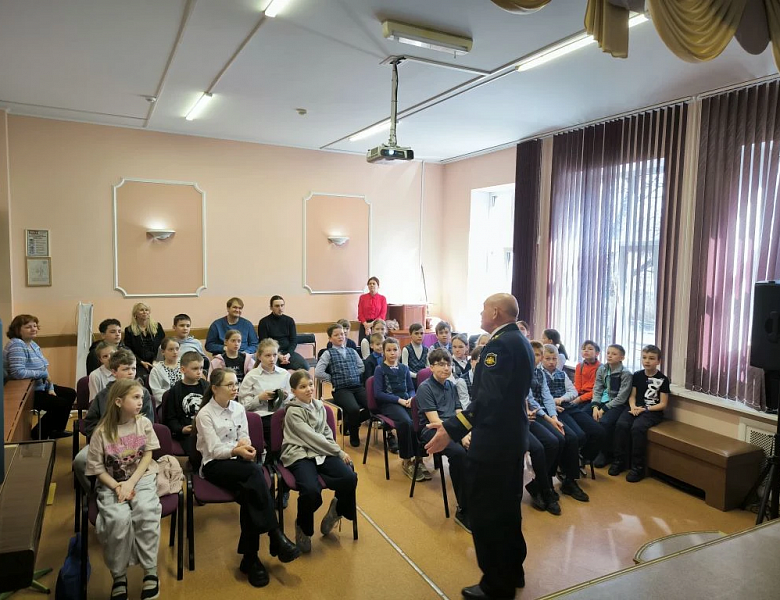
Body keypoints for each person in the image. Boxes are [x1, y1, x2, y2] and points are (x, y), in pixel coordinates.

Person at [425, 293, 531, 599]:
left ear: (496, 312)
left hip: (494, 442)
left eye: (484, 308)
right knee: (509, 509)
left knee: (486, 512)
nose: (480, 313)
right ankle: (513, 571)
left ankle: (496, 585)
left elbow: (488, 399)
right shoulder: (521, 341)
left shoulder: (497, 346)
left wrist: (452, 429)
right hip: (512, 437)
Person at [196, 369, 300, 588]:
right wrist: (237, 450)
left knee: (249, 493)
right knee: (255, 474)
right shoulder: (205, 414)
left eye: (236, 384)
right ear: (215, 388)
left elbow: (244, 434)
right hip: (215, 465)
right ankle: (274, 533)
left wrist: (245, 444)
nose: (235, 389)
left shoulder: (238, 408)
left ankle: (251, 559)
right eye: (229, 385)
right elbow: (214, 450)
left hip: (239, 462)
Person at [85, 378, 161, 600]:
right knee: (117, 519)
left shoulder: (143, 424)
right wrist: (118, 485)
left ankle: (150, 571)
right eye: (135, 397)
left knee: (146, 513)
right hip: (111, 482)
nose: (141, 402)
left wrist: (131, 483)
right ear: (118, 401)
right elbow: (97, 468)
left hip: (141, 478)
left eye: (141, 397)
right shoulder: (101, 432)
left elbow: (148, 454)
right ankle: (119, 576)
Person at [281, 370, 357, 553]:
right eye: (302, 387)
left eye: (310, 385)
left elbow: (326, 434)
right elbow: (311, 437)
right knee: (311, 490)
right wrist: (338, 451)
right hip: (299, 453)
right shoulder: (293, 412)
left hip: (321, 451)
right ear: (293, 390)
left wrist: (336, 451)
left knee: (349, 477)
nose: (308, 389)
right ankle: (303, 527)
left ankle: (335, 511)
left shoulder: (319, 406)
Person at [73, 349, 156, 491]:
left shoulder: (143, 393)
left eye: (133, 368)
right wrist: (105, 439)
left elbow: (149, 422)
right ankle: (97, 491)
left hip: (134, 442)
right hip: (107, 441)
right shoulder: (102, 395)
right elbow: (90, 424)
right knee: (80, 462)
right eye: (126, 369)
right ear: (114, 372)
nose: (131, 372)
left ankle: (133, 489)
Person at [526, 341, 589, 506]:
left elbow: (547, 396)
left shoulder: (540, 373)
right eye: (533, 354)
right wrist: (548, 417)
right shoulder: (523, 372)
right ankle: (543, 483)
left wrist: (553, 417)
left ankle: (569, 481)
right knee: (556, 441)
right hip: (534, 414)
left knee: (570, 437)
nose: (535, 357)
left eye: (538, 354)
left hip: (546, 412)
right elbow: (530, 400)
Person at [417, 348, 469, 528]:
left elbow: (459, 411)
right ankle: (463, 508)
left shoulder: (452, 386)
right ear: (431, 367)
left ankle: (476, 497)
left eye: (449, 364)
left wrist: (466, 432)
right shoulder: (425, 388)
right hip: (432, 430)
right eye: (441, 364)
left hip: (452, 427)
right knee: (459, 454)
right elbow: (435, 420)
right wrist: (460, 435)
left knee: (477, 446)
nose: (446, 368)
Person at [3, 314, 75, 439]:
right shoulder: (16, 345)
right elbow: (18, 373)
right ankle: (38, 434)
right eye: (28, 327)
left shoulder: (33, 344)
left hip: (40, 386)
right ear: (17, 329)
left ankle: (56, 429)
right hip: (26, 392)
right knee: (60, 404)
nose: (33, 329)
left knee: (70, 393)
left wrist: (51, 388)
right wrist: (42, 375)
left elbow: (44, 368)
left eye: (35, 326)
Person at [610, 345, 670, 482]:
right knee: (621, 424)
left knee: (637, 429)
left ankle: (638, 467)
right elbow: (632, 396)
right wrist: (633, 406)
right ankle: (619, 461)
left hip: (652, 411)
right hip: (635, 407)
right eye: (644, 357)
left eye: (651, 358)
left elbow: (663, 404)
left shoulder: (663, 379)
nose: (647, 361)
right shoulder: (637, 375)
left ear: (659, 361)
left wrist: (645, 409)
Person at [543, 344, 604, 467]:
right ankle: (568, 463)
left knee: (598, 431)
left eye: (554, 359)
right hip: (554, 410)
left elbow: (573, 391)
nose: (551, 362)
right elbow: (539, 395)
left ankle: (582, 457)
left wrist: (562, 398)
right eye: (547, 359)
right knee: (578, 436)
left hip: (568, 405)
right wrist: (552, 402)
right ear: (542, 359)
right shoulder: (538, 374)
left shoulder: (562, 374)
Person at [315, 323, 367, 448]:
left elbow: (361, 367)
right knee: (354, 409)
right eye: (336, 335)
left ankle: (349, 423)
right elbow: (318, 372)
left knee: (374, 406)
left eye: (342, 334)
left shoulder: (352, 351)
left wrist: (352, 373)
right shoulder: (328, 353)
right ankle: (354, 434)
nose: (340, 337)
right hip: (341, 389)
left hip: (357, 386)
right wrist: (332, 378)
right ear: (330, 338)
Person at [373, 337, 419, 475]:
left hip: (406, 401)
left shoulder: (404, 368)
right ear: (384, 352)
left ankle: (418, 458)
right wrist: (398, 400)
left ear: (399, 351)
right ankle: (406, 460)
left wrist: (411, 397)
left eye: (395, 350)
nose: (392, 353)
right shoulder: (380, 369)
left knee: (418, 420)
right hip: (389, 403)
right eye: (388, 350)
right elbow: (378, 394)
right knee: (405, 422)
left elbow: (411, 388)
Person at [239, 338, 292, 445]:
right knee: (272, 426)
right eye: (267, 355)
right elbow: (243, 405)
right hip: (262, 415)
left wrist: (286, 396)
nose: (272, 359)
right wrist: (259, 398)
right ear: (259, 356)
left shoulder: (284, 374)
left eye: (275, 355)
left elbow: (294, 397)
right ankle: (271, 456)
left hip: (283, 413)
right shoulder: (252, 376)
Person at [591, 344, 634, 468]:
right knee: (587, 417)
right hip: (602, 402)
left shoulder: (625, 373)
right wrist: (595, 406)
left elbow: (621, 397)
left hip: (617, 404)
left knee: (605, 422)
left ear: (622, 358)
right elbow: (597, 389)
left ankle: (605, 453)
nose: (609, 356)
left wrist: (603, 409)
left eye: (614, 354)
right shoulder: (602, 369)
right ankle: (591, 450)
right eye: (608, 353)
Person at [164, 351, 208, 455]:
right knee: (196, 451)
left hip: (207, 428)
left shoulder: (207, 387)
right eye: (195, 369)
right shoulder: (175, 391)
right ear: (183, 370)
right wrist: (182, 429)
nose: (199, 372)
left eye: (201, 368)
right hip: (188, 433)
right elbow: (170, 418)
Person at [257, 295, 309, 371]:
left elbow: (293, 340)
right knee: (272, 370)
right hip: (272, 353)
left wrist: (288, 355)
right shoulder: (264, 322)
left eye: (282, 305)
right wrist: (278, 355)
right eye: (277, 306)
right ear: (271, 308)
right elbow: (264, 343)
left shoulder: (289, 320)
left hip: (288, 353)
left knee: (305, 366)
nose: (280, 308)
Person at [123, 303, 165, 377]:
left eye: (147, 310)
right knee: (142, 377)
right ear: (135, 313)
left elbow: (163, 345)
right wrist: (141, 362)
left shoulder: (157, 327)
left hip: (157, 361)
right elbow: (128, 350)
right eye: (141, 310)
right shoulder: (129, 330)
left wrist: (156, 360)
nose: (145, 312)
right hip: (139, 363)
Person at [148, 338, 181, 407]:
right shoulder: (156, 370)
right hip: (165, 404)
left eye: (177, 349)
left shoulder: (184, 365)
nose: (175, 352)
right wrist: (174, 398)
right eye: (171, 349)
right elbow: (156, 392)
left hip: (185, 401)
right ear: (163, 352)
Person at [357, 276, 387, 346]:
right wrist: (366, 326)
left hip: (377, 325)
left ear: (378, 286)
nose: (371, 285)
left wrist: (371, 325)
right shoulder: (362, 297)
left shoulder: (382, 298)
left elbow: (382, 315)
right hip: (364, 325)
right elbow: (360, 313)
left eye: (374, 283)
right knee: (364, 344)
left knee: (378, 344)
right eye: (370, 284)